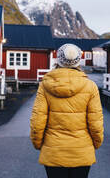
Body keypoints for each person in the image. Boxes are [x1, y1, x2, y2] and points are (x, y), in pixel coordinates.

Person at [30, 43, 104, 178]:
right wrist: (96, 143)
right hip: (82, 151)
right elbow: (96, 123)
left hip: (54, 151)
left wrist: (37, 143)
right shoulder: (91, 87)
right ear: (78, 61)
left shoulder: (45, 85)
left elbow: (37, 121)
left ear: (58, 60)